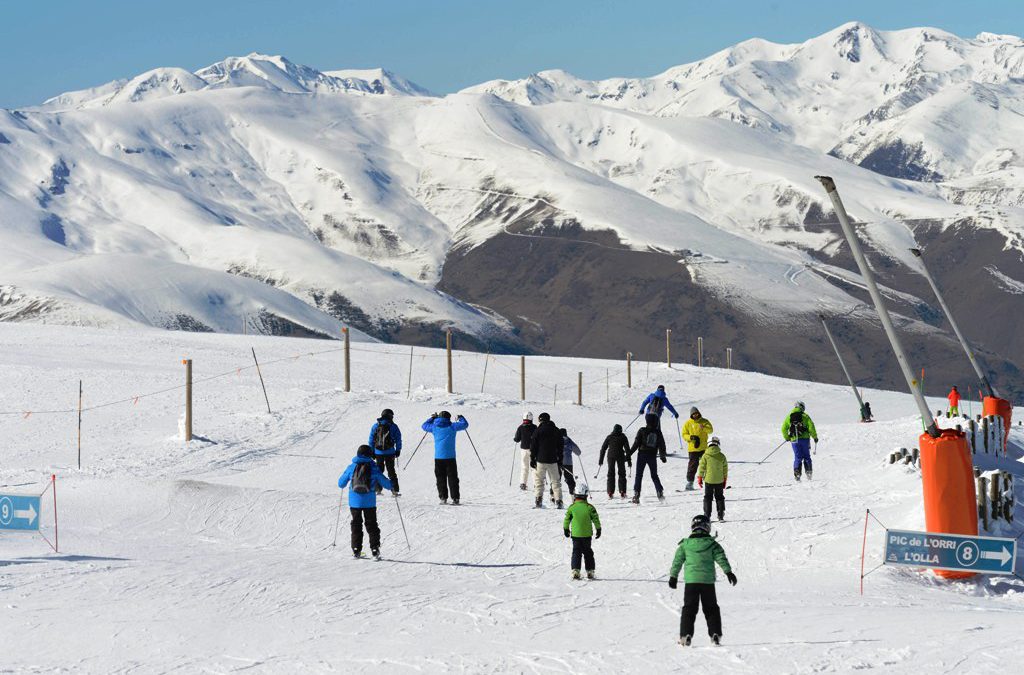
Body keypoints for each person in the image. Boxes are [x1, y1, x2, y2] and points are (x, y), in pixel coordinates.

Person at [668, 514, 737, 646]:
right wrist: (728, 572)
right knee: (711, 608)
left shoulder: (685, 545)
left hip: (691, 583)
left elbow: (677, 561)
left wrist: (673, 576)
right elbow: (721, 558)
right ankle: (715, 634)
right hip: (707, 583)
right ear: (707, 527)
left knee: (689, 609)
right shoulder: (712, 544)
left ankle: (685, 635)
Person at [337, 445, 395, 559]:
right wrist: (392, 484)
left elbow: (341, 483)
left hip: (355, 503)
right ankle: (374, 550)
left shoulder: (352, 467)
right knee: (372, 525)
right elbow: (385, 483)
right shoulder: (373, 467)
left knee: (356, 525)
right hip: (369, 503)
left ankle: (356, 550)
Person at [422, 411, 469, 504]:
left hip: (438, 458)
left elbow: (424, 425)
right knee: (453, 478)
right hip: (450, 457)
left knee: (440, 478)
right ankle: (455, 498)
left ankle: (443, 498)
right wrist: (460, 417)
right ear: (448, 418)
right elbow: (465, 424)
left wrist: (432, 418)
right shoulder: (452, 427)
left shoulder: (434, 427)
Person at [563, 485, 601, 580]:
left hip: (575, 535)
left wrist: (566, 529)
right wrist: (598, 529)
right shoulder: (590, 507)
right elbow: (596, 519)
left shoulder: (572, 508)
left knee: (576, 552)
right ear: (586, 495)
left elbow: (567, 519)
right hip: (587, 535)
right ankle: (590, 571)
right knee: (588, 552)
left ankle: (575, 570)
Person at [629, 413, 667, 503]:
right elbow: (662, 445)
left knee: (639, 475)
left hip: (642, 455)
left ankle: (636, 494)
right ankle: (659, 492)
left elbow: (636, 444)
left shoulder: (642, 430)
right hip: (652, 456)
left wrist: (628, 454)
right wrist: (662, 456)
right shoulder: (658, 432)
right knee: (654, 475)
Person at [530, 412, 564, 509]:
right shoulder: (556, 430)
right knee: (555, 481)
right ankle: (558, 501)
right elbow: (561, 447)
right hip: (553, 461)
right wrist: (560, 460)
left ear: (540, 420)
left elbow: (533, 446)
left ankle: (538, 500)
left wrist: (532, 459)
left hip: (540, 460)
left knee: (539, 481)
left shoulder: (538, 430)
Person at [369, 408, 403, 495]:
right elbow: (398, 439)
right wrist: (398, 450)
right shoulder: (393, 426)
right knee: (391, 471)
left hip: (378, 452)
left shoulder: (376, 426)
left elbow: (371, 439)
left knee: (379, 471)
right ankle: (394, 490)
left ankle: (377, 489)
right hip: (390, 452)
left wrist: (372, 451)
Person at [782, 401, 817, 481]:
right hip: (805, 439)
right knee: (807, 457)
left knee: (798, 457)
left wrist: (787, 437)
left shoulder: (789, 416)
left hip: (794, 440)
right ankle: (808, 473)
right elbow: (811, 427)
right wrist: (815, 437)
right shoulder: (805, 416)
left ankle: (797, 473)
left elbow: (783, 428)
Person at [682, 407, 714, 491]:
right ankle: (690, 483)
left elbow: (710, 430)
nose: (695, 415)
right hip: (693, 448)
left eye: (696, 413)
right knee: (692, 466)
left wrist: (703, 427)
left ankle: (710, 482)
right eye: (693, 414)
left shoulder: (704, 421)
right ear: (691, 415)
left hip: (703, 447)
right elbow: (684, 434)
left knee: (707, 465)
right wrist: (690, 437)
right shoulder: (688, 423)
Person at [697, 437, 728, 522]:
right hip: (719, 480)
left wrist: (700, 477)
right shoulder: (722, 456)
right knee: (719, 497)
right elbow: (725, 468)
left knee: (708, 497)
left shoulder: (705, 456)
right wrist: (724, 479)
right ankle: (721, 515)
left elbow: (702, 467)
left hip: (709, 480)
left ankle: (707, 515)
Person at [598, 424, 632, 499]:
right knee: (622, 473)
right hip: (620, 456)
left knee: (611, 473)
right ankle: (622, 491)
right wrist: (629, 461)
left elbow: (603, 448)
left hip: (611, 456)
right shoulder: (623, 437)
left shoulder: (609, 437)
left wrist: (601, 460)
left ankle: (610, 492)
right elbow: (627, 450)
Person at [513, 412, 537, 491]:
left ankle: (523, 483)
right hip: (533, 450)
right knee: (533, 467)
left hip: (523, 450)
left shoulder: (520, 427)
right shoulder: (534, 427)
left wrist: (515, 439)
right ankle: (536, 484)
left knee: (524, 467)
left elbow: (517, 439)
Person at [560, 428, 582, 496]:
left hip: (558, 461)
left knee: (556, 479)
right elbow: (578, 452)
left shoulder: (556, 440)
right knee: (569, 478)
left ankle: (553, 494)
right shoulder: (569, 441)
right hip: (568, 462)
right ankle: (572, 493)